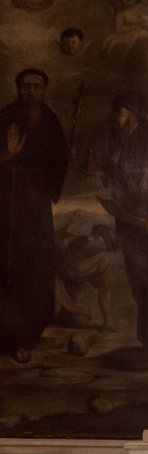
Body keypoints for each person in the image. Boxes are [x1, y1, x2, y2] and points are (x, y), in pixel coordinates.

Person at [100, 91, 148, 352]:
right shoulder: (116, 139)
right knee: (137, 278)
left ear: (133, 114)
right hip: (128, 219)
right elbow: (117, 176)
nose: (114, 117)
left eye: (119, 112)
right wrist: (100, 172)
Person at [0, 69, 69, 363]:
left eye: (36, 86)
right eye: (25, 86)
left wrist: (65, 157)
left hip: (37, 208)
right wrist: (8, 155)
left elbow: (56, 161)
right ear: (17, 89)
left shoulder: (50, 121)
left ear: (44, 90)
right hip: (6, 204)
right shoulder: (4, 118)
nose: (30, 92)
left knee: (35, 267)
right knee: (7, 267)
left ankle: (28, 335)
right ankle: (9, 337)